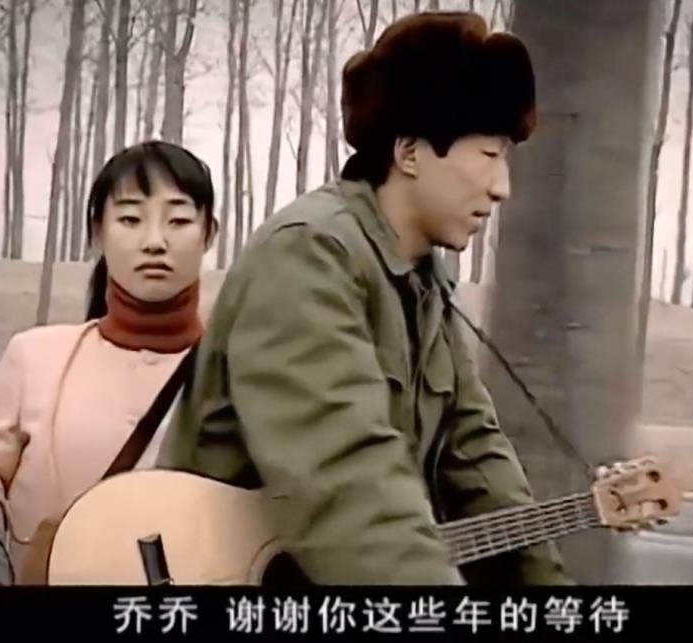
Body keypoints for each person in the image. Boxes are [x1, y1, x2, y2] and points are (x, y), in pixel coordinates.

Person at [159, 12, 573, 585]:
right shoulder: (309, 256)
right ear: (410, 152)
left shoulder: (426, 284)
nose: (502, 187)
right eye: (488, 154)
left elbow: (477, 456)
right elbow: (350, 485)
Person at [0, 141, 218, 576]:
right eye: (130, 219)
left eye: (178, 221)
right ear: (98, 232)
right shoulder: (36, 356)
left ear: (209, 234)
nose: (155, 242)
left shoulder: (237, 373)